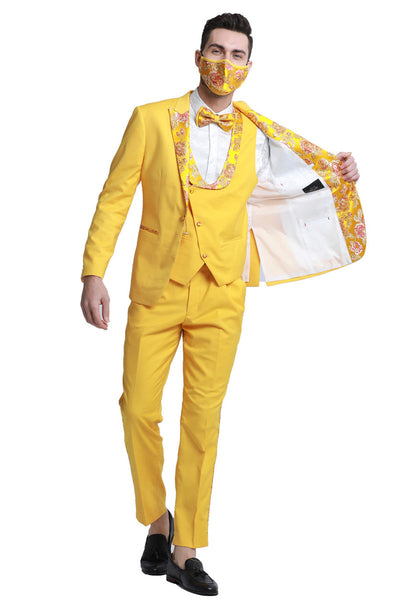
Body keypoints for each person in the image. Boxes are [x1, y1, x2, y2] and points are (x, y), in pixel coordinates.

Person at [80, 13, 364, 596]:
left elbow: (301, 181)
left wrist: (343, 172)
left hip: (221, 293)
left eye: (236, 55)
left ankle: (186, 550)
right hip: (156, 288)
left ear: (249, 66)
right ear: (197, 56)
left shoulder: (259, 135)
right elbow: (114, 198)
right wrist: (93, 271)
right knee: (137, 408)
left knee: (203, 421)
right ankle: (157, 520)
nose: (224, 63)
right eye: (216, 50)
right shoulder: (150, 119)